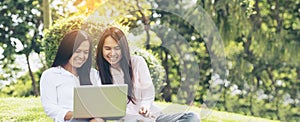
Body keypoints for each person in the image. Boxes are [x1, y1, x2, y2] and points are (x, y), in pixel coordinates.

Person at [96, 27, 200, 122]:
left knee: (192, 117)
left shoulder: (137, 62)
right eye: (108, 48)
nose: (112, 53)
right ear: (101, 50)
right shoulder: (99, 75)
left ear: (123, 48)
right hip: (129, 120)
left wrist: (145, 106)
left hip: (152, 117)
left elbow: (148, 90)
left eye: (117, 48)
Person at [40, 30, 103, 122]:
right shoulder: (50, 75)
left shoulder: (93, 74)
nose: (82, 56)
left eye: (85, 52)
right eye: (78, 51)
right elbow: (50, 108)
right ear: (67, 50)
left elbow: (101, 102)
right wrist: (77, 115)